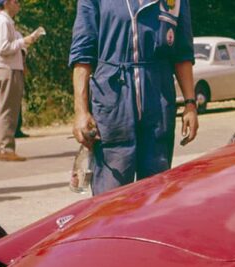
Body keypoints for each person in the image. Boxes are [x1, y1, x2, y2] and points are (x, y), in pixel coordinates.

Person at [69, 0, 198, 195]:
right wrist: (81, 111)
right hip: (112, 103)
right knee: (111, 196)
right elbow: (82, 54)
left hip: (159, 101)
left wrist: (190, 103)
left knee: (156, 191)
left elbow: (182, 53)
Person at [0, 0, 41, 162]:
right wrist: (25, 40)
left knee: (4, 109)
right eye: (16, 1)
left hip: (7, 68)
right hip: (8, 69)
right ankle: (5, 148)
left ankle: (2, 147)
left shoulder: (3, 22)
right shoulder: (3, 22)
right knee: (8, 110)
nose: (18, 4)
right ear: (7, 3)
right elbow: (4, 48)